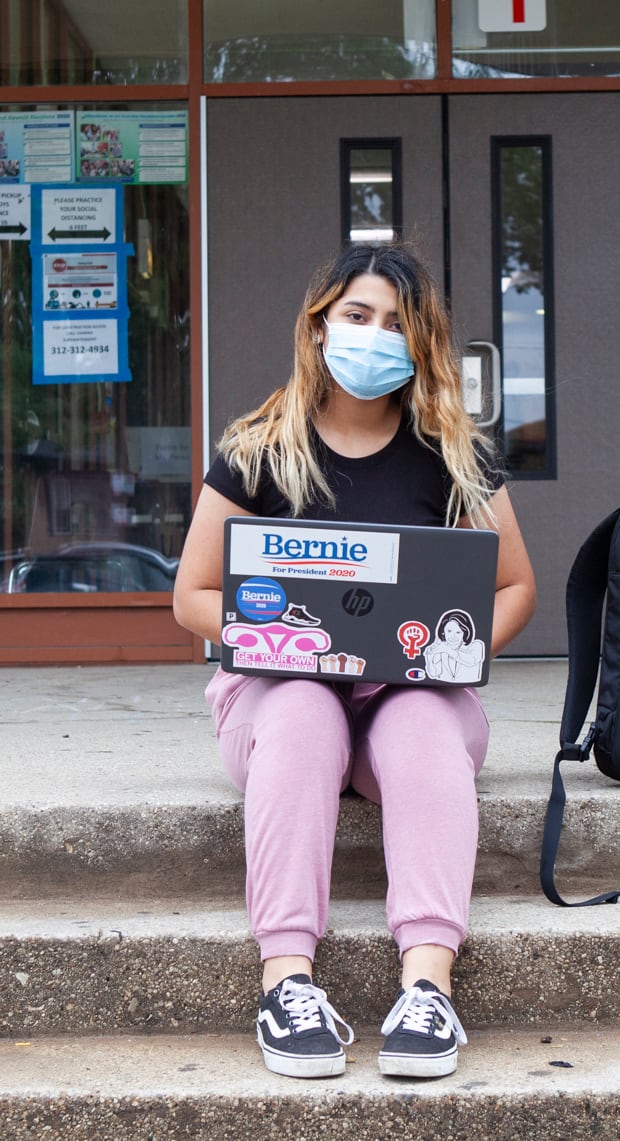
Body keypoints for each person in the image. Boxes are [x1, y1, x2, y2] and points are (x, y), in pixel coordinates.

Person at [172, 242, 535, 1082]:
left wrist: (454, 651)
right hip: (279, 700)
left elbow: (514, 586)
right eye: (358, 315)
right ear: (319, 325)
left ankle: (428, 990)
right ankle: (286, 981)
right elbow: (192, 593)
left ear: (424, 342)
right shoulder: (260, 448)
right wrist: (270, 641)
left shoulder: (453, 452)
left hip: (402, 699)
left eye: (398, 323)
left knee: (416, 722)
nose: (376, 336)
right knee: (301, 706)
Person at [423, 609, 485, 685]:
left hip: (468, 688)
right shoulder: (441, 646)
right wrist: (430, 658)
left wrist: (447, 650)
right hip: (442, 688)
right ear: (443, 631)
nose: (453, 636)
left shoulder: (476, 645)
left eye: (458, 632)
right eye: (449, 631)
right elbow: (434, 674)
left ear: (465, 633)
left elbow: (471, 661)